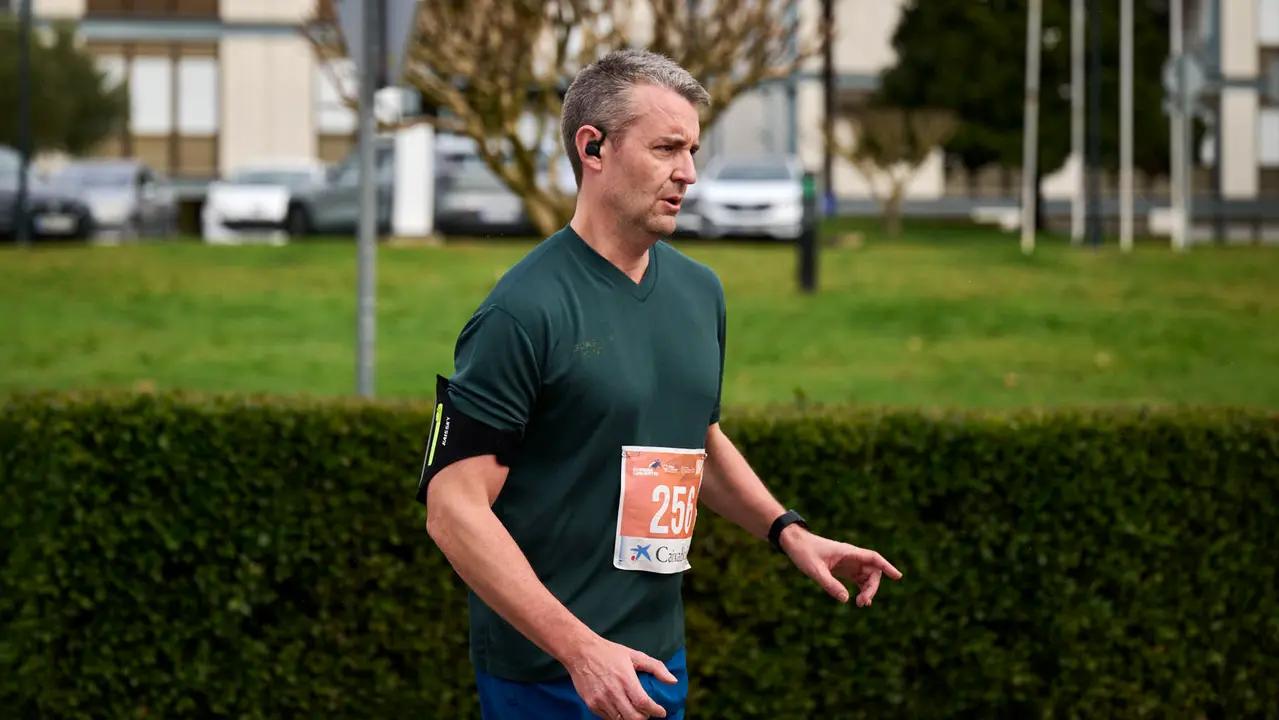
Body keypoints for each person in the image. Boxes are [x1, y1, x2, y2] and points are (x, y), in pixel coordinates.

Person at [417, 48, 902, 720]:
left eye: (692, 149)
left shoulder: (699, 293)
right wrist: (580, 651)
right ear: (593, 148)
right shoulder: (521, 311)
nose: (689, 173)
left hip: (655, 663)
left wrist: (788, 531)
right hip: (550, 673)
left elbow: (694, 436)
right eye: (667, 148)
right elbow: (453, 509)